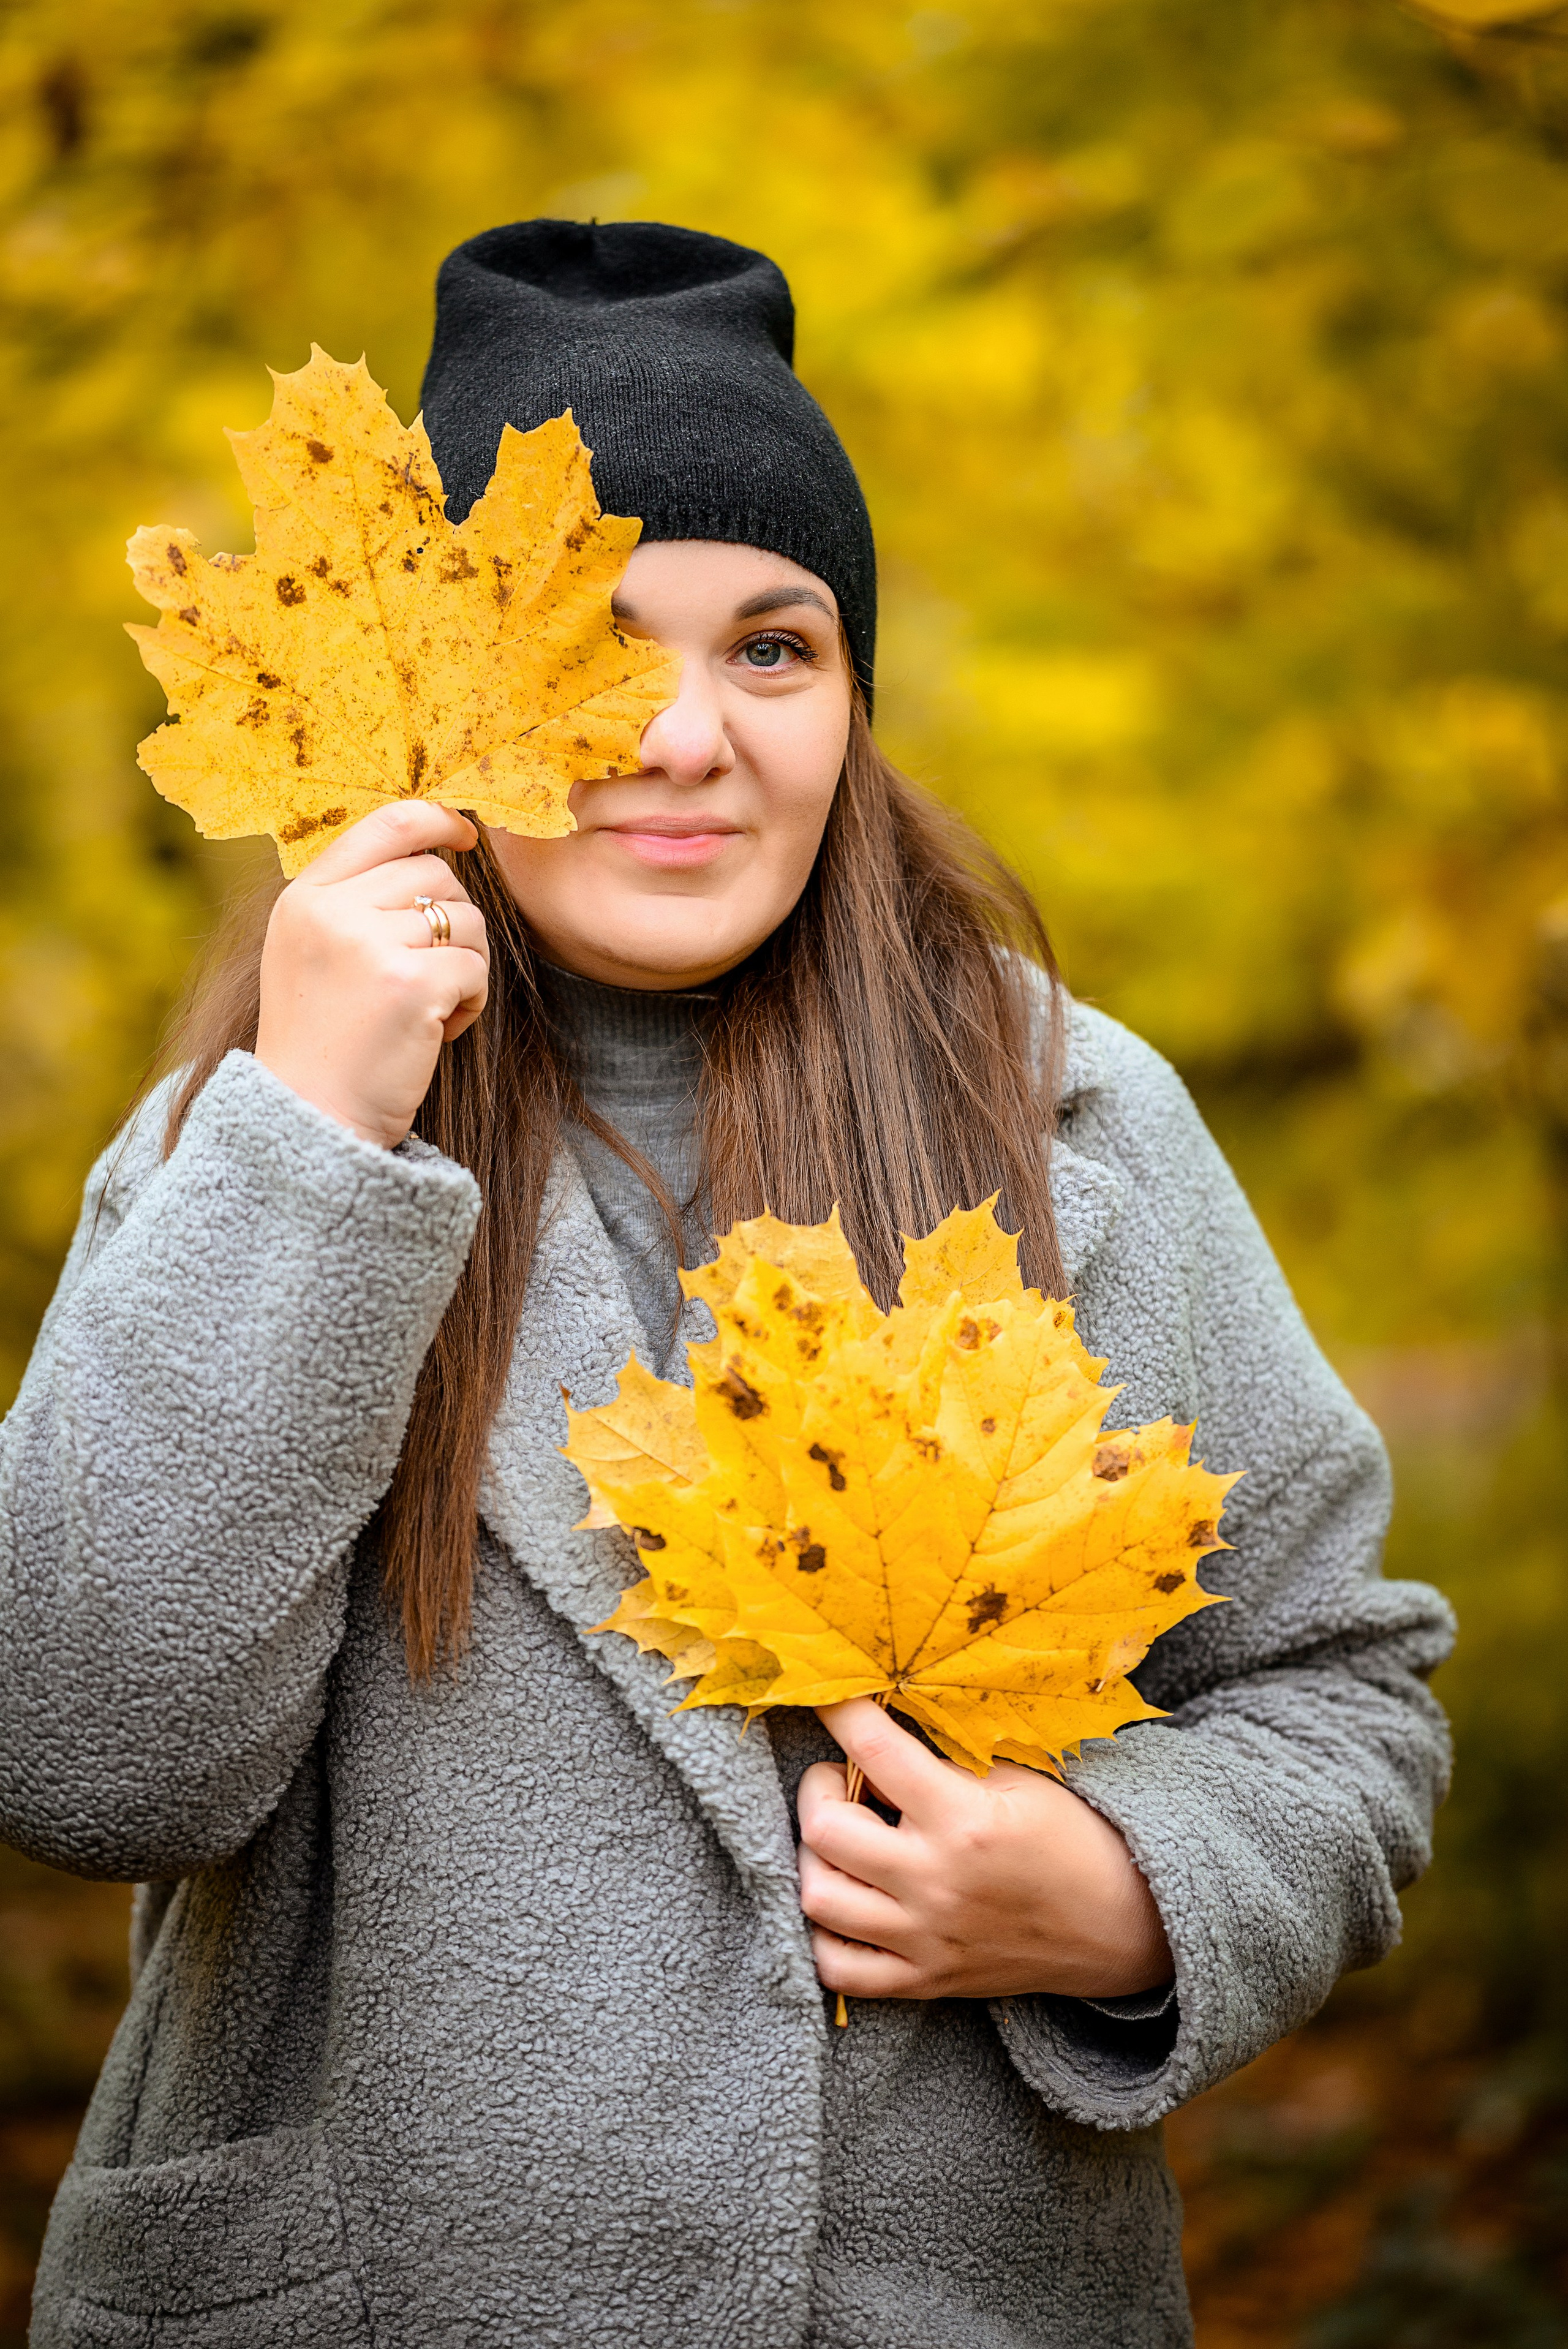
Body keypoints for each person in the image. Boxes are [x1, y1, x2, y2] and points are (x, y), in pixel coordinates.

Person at [2, 221, 1452, 2349]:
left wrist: (1130, 1891)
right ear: (441, 698)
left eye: (773, 648)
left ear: (853, 699)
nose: (684, 734)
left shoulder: (1066, 1120)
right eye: (591, 645)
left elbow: (1337, 1690)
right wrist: (319, 1142)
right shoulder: (258, 1142)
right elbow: (81, 1750)